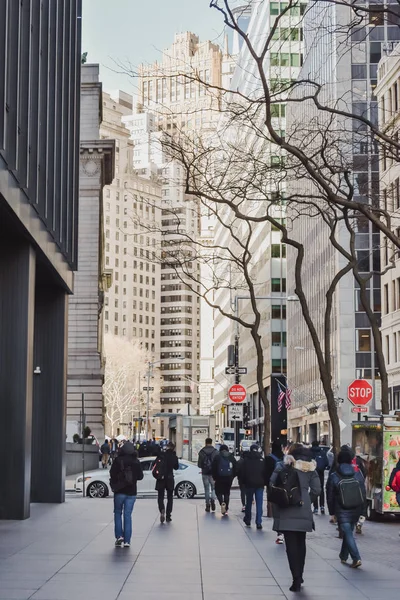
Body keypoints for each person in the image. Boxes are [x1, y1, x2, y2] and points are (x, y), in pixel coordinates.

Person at [270, 443, 321, 592]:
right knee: (301, 543)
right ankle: (300, 574)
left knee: (291, 546)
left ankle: (296, 578)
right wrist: (307, 500)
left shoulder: (282, 466)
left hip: (286, 508)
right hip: (303, 508)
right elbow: (317, 489)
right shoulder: (311, 468)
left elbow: (272, 484)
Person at [326, 449, 366, 569]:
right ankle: (343, 555)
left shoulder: (334, 475)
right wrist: (363, 510)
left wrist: (332, 512)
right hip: (356, 507)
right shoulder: (358, 473)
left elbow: (330, 495)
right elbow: (363, 493)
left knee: (347, 532)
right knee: (348, 531)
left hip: (342, 508)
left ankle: (356, 557)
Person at [109, 441, 144, 547]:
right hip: (131, 492)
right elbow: (140, 476)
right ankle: (127, 540)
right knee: (128, 515)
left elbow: (112, 473)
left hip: (119, 491)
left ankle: (119, 536)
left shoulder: (118, 460)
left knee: (118, 513)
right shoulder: (136, 461)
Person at [240, 444, 267, 529]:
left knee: (248, 503)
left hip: (249, 484)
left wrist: (243, 482)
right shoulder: (262, 460)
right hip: (260, 484)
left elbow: (243, 473)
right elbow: (265, 473)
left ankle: (248, 519)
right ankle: (258, 522)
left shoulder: (246, 460)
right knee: (259, 503)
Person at [154, 441, 179, 523]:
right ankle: (168, 515)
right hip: (170, 478)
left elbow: (155, 464)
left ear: (167, 447)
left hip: (161, 478)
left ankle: (162, 509)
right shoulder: (174, 456)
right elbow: (176, 467)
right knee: (170, 497)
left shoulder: (161, 455)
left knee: (160, 497)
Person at [265, 441, 284, 543]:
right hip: (284, 487)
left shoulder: (269, 458)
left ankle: (280, 533)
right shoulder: (285, 458)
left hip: (273, 487)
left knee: (276, 510)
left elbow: (266, 473)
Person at [212, 444, 236, 516]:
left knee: (218, 492)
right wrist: (232, 476)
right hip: (228, 478)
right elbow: (235, 467)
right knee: (227, 492)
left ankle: (222, 503)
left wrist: (215, 477)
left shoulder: (217, 457)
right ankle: (226, 508)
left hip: (219, 477)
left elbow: (214, 468)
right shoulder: (231, 457)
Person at [197, 438, 218, 512]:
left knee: (206, 489)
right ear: (211, 442)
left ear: (205, 443)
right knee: (213, 488)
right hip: (213, 473)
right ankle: (213, 499)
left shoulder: (202, 452)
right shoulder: (215, 452)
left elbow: (199, 465)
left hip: (205, 473)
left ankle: (207, 505)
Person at [310, 441, 328, 514]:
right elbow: (326, 462)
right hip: (321, 472)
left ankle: (316, 507)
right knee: (321, 490)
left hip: (313, 472)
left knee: (314, 489)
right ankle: (322, 506)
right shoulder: (322, 452)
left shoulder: (310, 452)